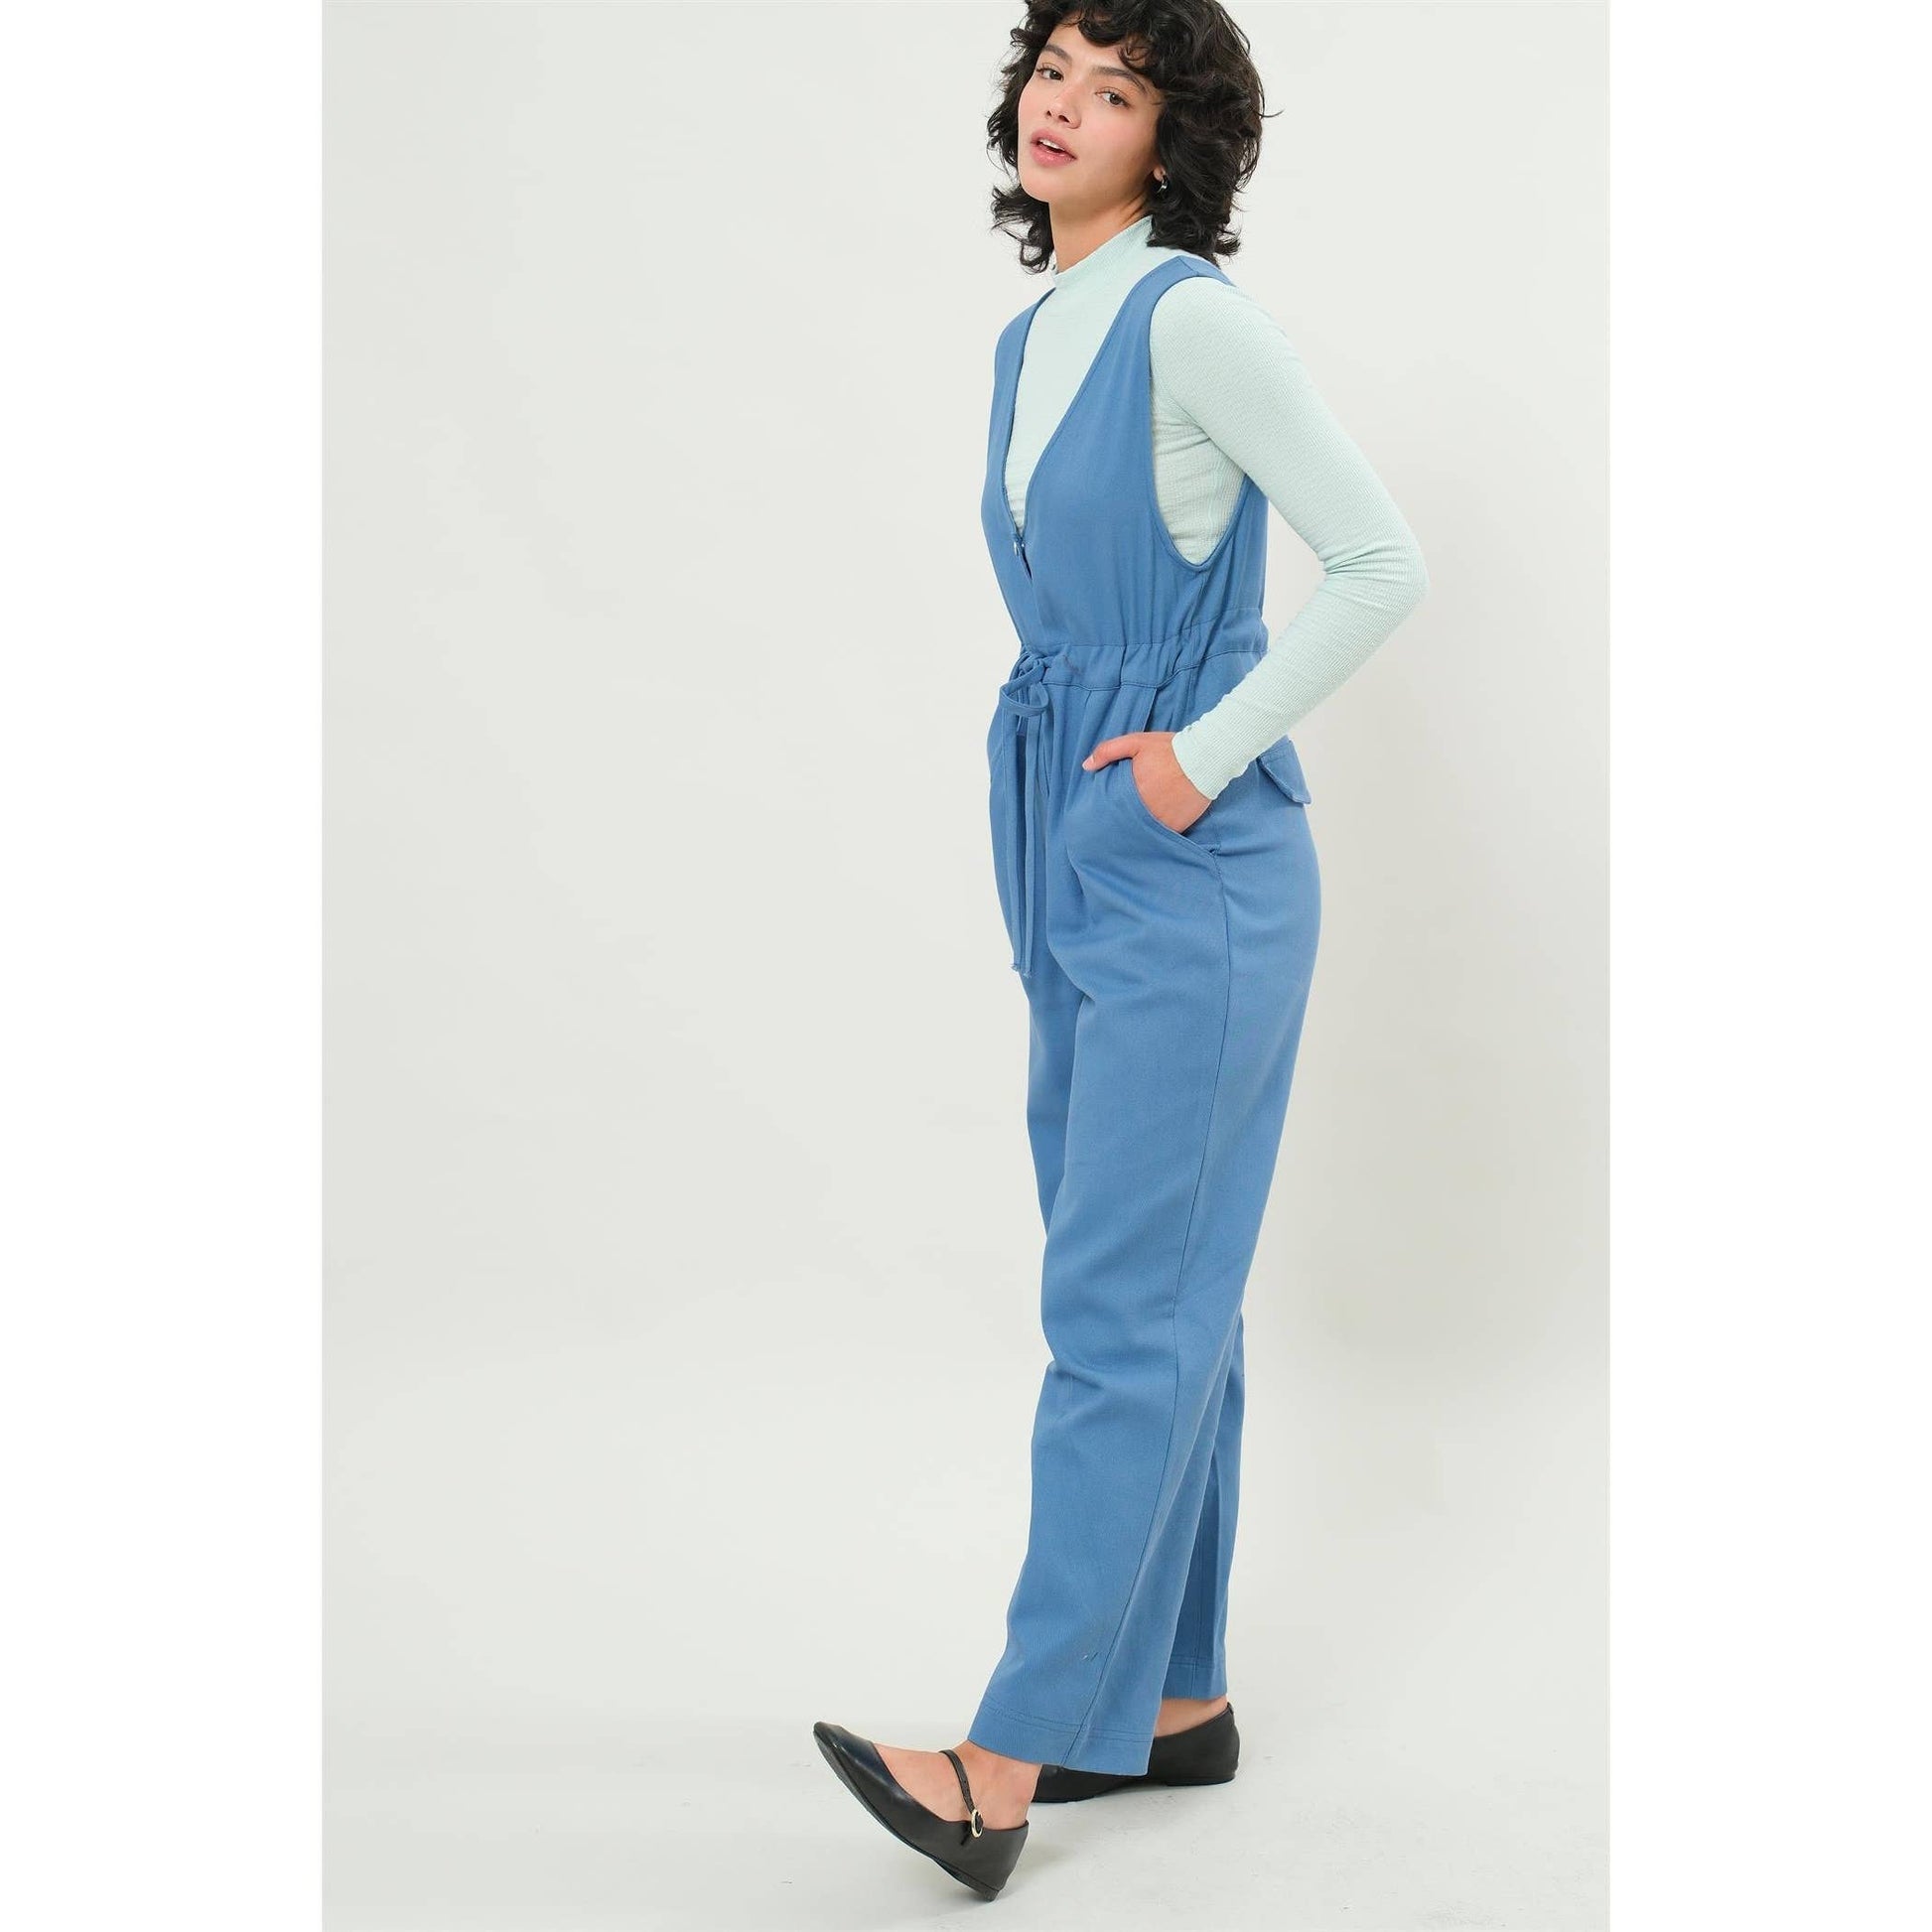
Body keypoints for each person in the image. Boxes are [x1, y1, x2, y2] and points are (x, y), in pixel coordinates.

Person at [815, 3, 1428, 1899]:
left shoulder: (1190, 319)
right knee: (1165, 1294)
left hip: (1192, 861)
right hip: (1069, 838)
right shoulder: (1034, 335)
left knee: (1119, 1310)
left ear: (1174, 139)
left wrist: (1192, 758)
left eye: (1116, 88)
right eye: (1051, 72)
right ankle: (1173, 1697)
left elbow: (1378, 561)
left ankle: (1003, 1761)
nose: (1063, 106)